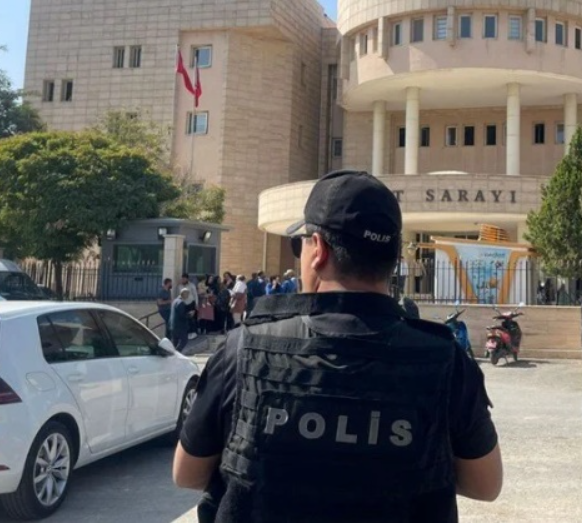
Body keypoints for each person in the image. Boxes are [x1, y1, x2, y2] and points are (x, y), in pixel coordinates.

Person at [173, 170, 502, 523]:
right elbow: (486, 484)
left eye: (300, 244)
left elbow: (187, 473)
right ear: (392, 260)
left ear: (319, 250)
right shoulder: (444, 359)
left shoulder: (243, 349)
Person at [170, 288, 193, 353]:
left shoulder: (175, 301)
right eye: (187, 294)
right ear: (183, 294)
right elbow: (182, 315)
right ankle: (176, 353)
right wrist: (190, 315)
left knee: (175, 343)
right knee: (184, 340)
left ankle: (172, 354)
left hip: (173, 325)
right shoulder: (181, 303)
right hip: (180, 326)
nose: (188, 296)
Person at [179, 273, 199, 339]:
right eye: (182, 278)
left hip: (191, 303)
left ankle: (194, 332)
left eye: (184, 279)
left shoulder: (191, 285)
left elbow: (195, 294)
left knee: (192, 319)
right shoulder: (180, 286)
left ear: (187, 279)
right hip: (184, 304)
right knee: (185, 319)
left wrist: (196, 304)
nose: (183, 280)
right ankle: (187, 332)